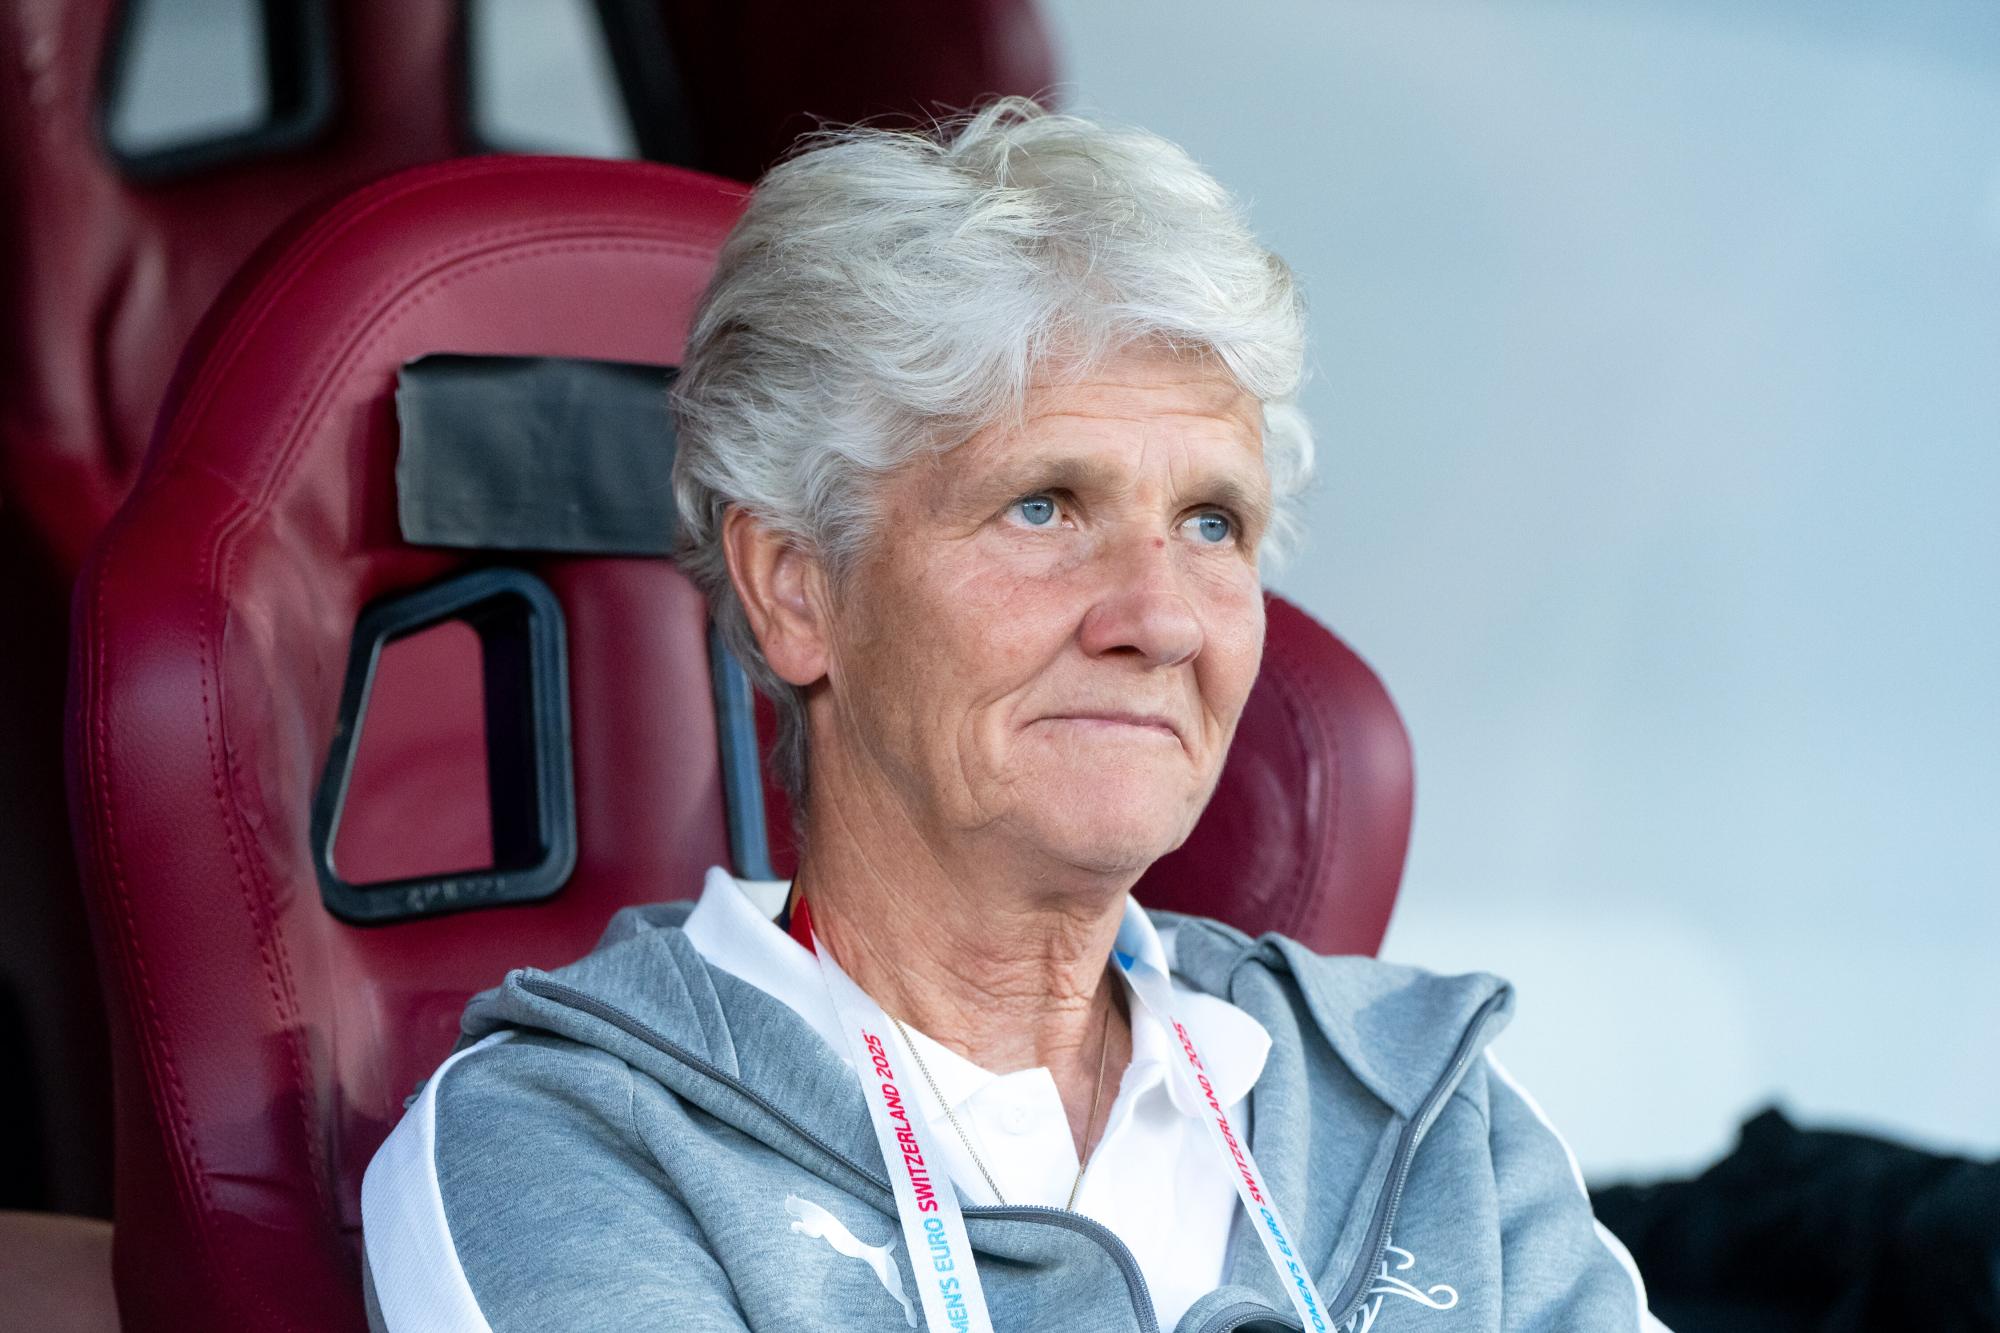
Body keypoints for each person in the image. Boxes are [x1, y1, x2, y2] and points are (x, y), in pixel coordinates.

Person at [361, 98, 1665, 1333]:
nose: (1159, 616)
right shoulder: (569, 1141)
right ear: (797, 587)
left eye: (1214, 522)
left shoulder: (1426, 1110)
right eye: (1044, 504)